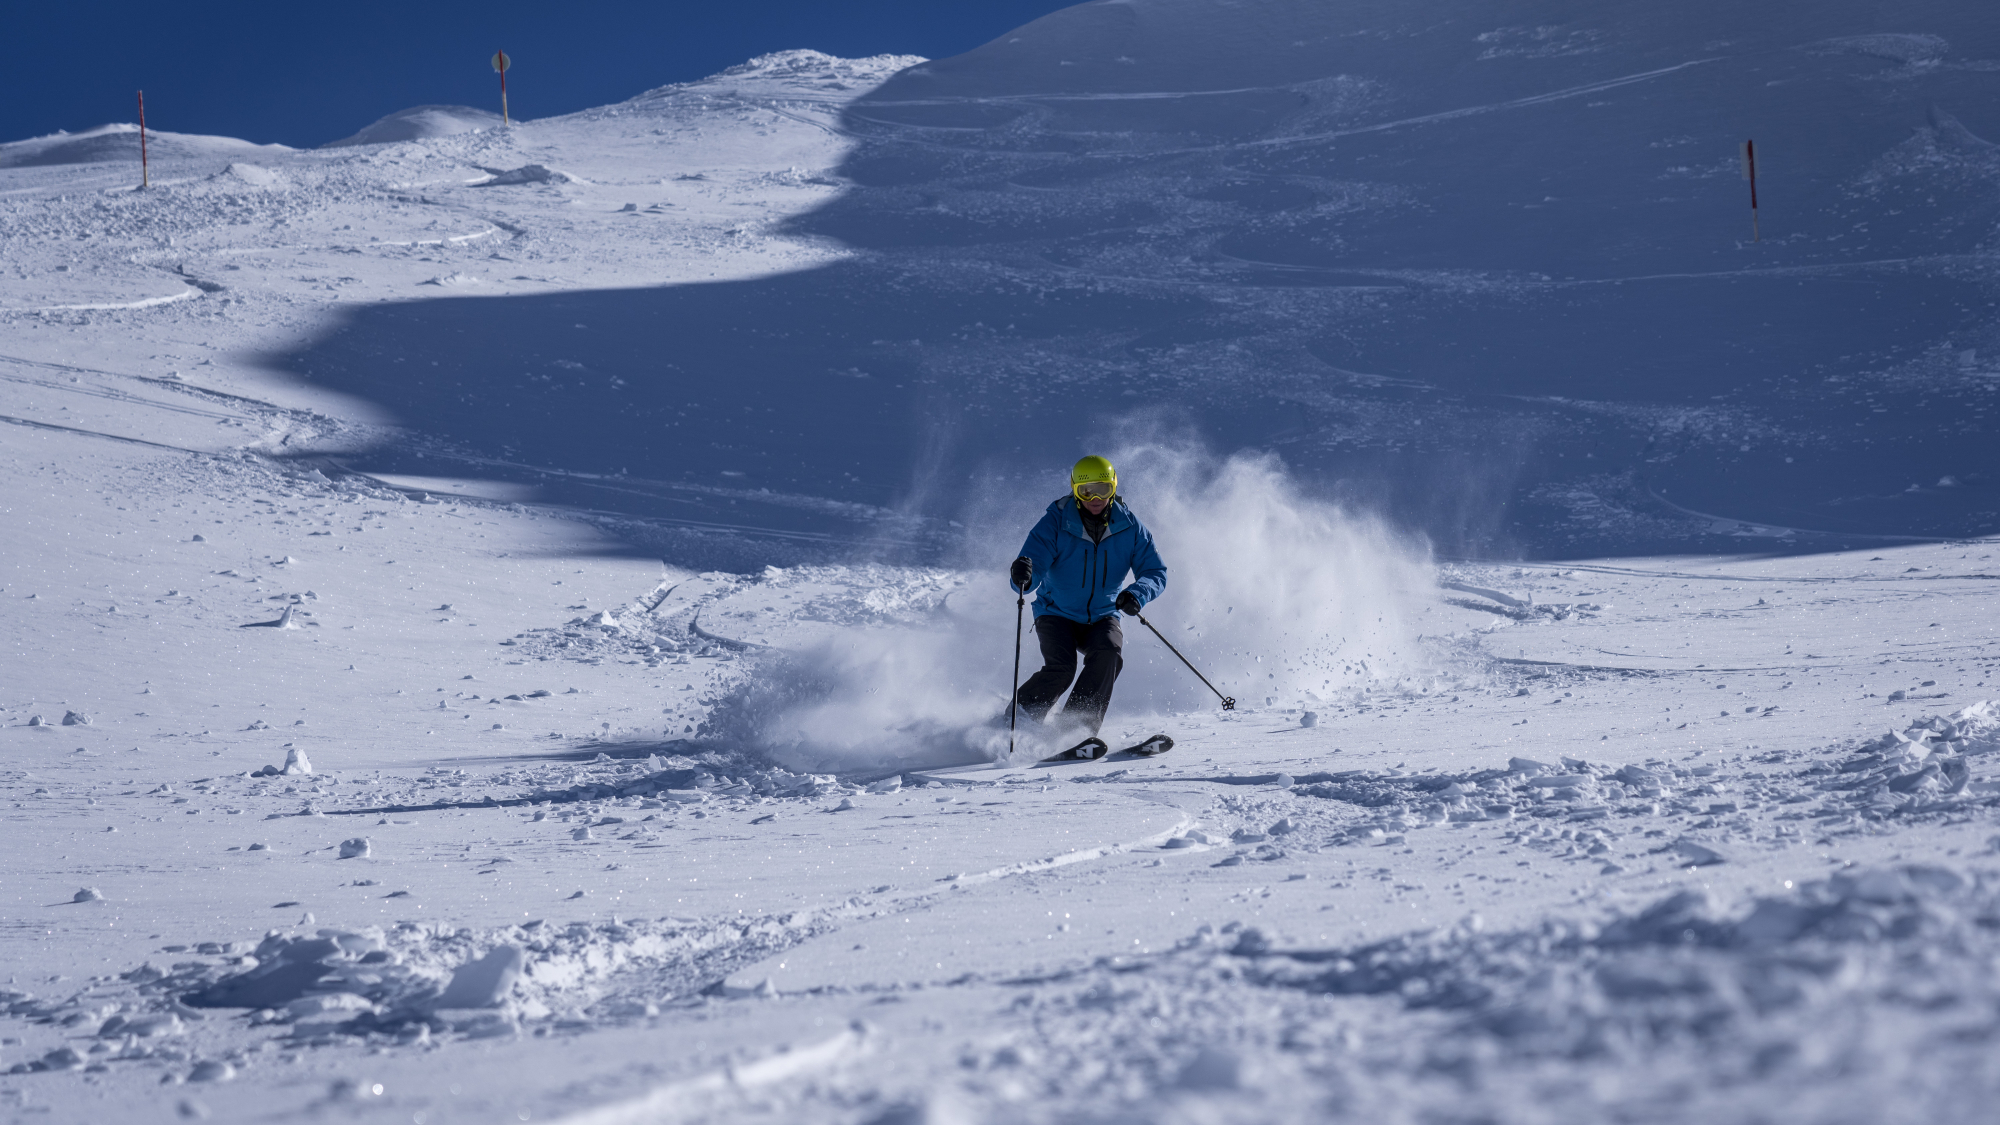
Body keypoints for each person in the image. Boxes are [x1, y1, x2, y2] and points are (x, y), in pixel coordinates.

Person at [1008, 455, 1167, 738]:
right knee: (1062, 669)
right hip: (1055, 611)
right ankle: (1017, 720)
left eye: (1103, 490)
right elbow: (1033, 562)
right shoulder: (1055, 522)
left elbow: (1155, 571)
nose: (1095, 498)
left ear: (1113, 488)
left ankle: (1074, 730)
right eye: (1086, 491)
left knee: (1109, 654)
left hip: (1103, 614)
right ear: (1075, 490)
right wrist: (1024, 576)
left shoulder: (1130, 527)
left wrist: (1137, 594)